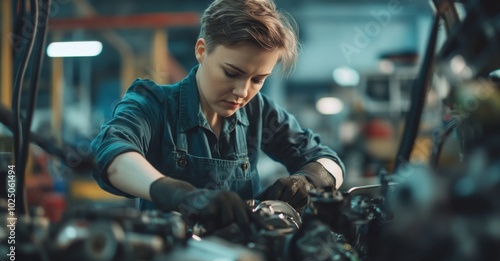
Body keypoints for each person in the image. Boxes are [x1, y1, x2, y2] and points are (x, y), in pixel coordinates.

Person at [91, 0, 345, 234]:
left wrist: (307, 180)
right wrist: (179, 194)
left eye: (258, 80)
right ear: (202, 50)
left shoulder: (258, 111)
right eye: (231, 73)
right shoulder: (154, 104)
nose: (242, 92)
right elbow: (111, 154)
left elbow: (328, 161)